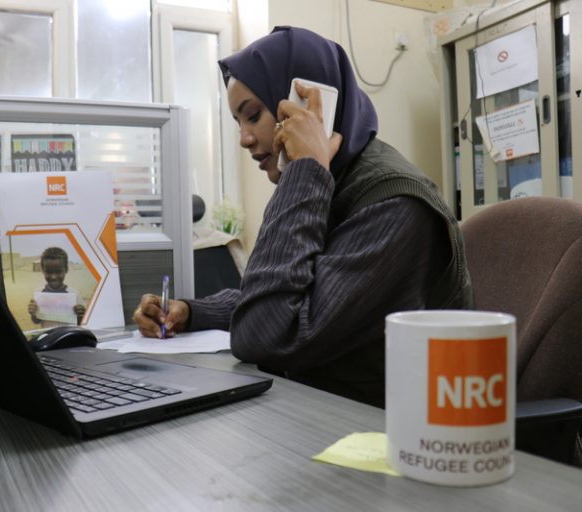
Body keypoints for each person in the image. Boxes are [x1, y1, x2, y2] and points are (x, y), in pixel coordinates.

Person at [133, 26, 473, 408]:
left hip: (387, 433)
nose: (244, 139)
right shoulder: (333, 182)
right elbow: (286, 293)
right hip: (327, 411)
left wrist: (306, 168)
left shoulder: (393, 205)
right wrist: (192, 312)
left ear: (313, 110)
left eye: (253, 115)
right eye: (238, 124)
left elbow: (267, 332)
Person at [28, 247, 87, 329]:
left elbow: (79, 322)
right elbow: (36, 321)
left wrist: (81, 314)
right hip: (49, 339)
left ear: (66, 270)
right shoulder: (39, 293)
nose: (53, 277)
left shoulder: (74, 294)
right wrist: (33, 313)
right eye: (48, 272)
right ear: (43, 271)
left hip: (67, 337)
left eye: (58, 272)